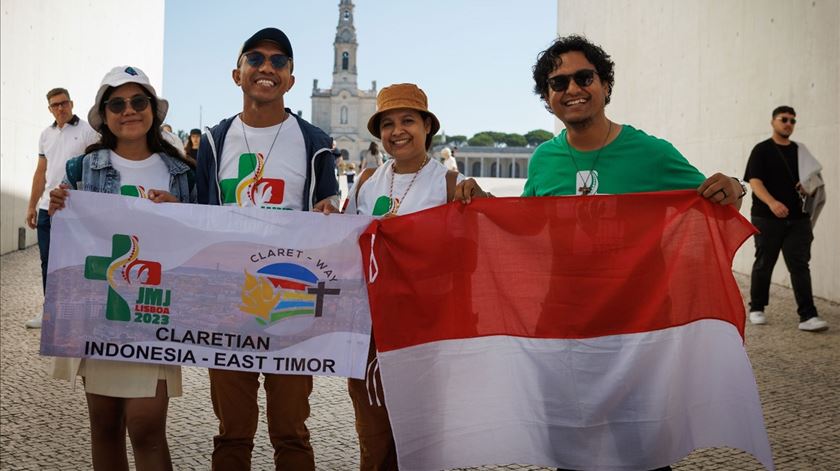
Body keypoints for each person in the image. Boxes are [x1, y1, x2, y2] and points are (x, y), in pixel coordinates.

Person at [455, 34, 748, 471]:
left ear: (606, 85)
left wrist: (737, 187)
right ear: (547, 99)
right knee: (573, 449)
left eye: (583, 77)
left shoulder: (651, 153)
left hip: (639, 329)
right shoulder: (543, 161)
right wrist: (483, 208)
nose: (572, 89)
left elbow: (712, 198)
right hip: (564, 325)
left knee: (646, 450)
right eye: (558, 83)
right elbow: (531, 230)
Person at [195, 27, 339, 471]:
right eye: (255, 58)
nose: (266, 68)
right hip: (227, 305)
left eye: (279, 62)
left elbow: (327, 213)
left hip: (291, 304)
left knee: (292, 433)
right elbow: (199, 217)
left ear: (291, 79)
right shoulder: (215, 140)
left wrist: (330, 215)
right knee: (232, 434)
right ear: (237, 73)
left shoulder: (315, 142)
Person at [48, 65, 194, 471]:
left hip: (154, 310)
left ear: (153, 109)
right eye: (117, 104)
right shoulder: (83, 168)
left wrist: (183, 214)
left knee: (147, 426)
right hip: (100, 310)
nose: (129, 111)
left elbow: (200, 241)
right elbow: (66, 243)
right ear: (105, 114)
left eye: (138, 101)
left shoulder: (182, 173)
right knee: (105, 425)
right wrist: (59, 208)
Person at [345, 83, 463, 470]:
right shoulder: (366, 183)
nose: (398, 131)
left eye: (408, 120)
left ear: (427, 126)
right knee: (374, 441)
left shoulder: (448, 184)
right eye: (388, 123)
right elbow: (345, 247)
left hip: (426, 333)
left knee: (425, 441)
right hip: (372, 336)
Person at [743, 106, 828, 332]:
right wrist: (772, 203)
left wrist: (807, 185)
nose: (788, 123)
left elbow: (814, 178)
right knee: (764, 263)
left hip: (798, 219)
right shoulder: (761, 150)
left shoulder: (801, 151)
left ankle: (808, 316)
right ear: (773, 122)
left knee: (800, 266)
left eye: (792, 120)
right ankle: (757, 307)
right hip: (766, 218)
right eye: (784, 119)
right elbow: (755, 181)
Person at [24, 88, 99, 329]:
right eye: (55, 105)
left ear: (72, 103)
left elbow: (95, 169)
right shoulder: (46, 134)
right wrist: (32, 205)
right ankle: (50, 309)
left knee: (75, 261)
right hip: (47, 207)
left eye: (64, 103)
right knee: (48, 261)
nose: (60, 108)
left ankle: (76, 310)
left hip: (73, 209)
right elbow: (40, 172)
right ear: (49, 108)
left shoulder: (88, 131)